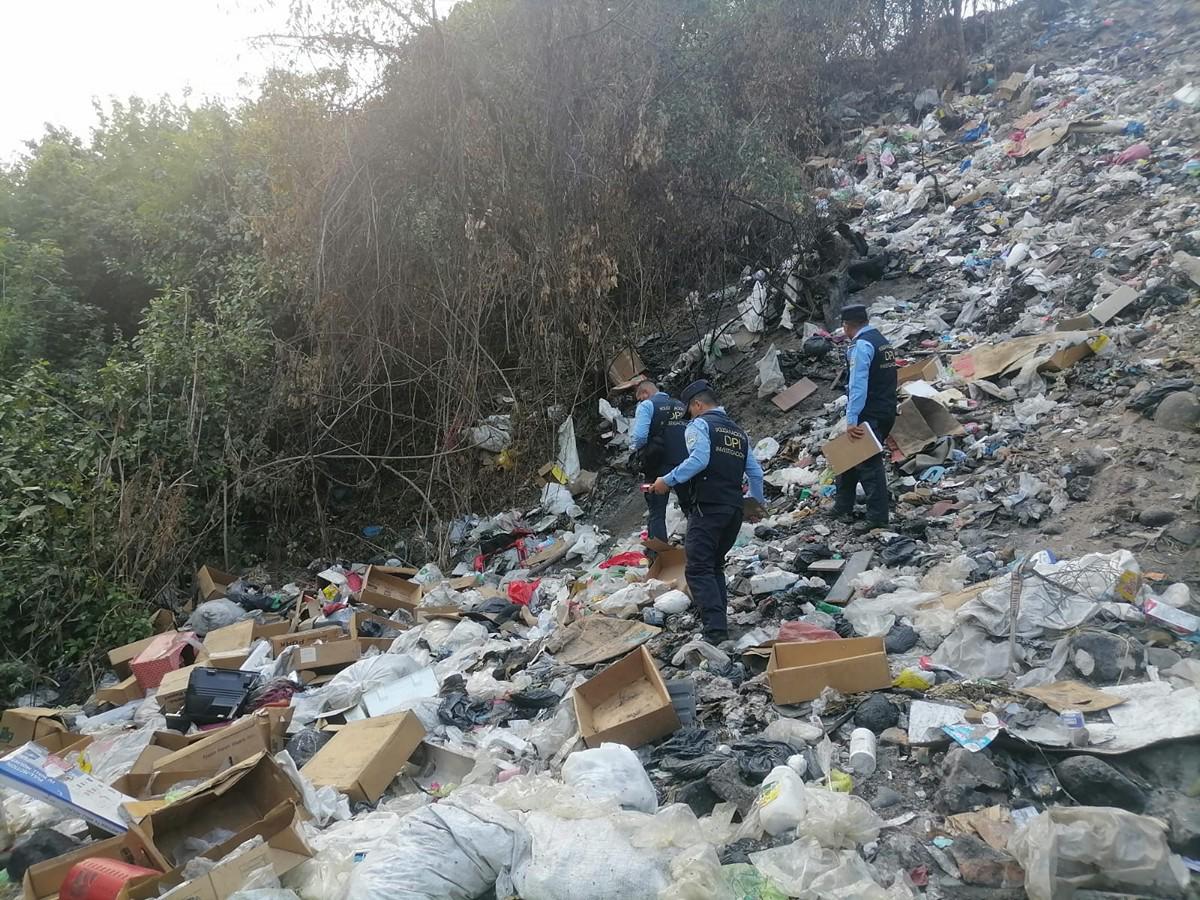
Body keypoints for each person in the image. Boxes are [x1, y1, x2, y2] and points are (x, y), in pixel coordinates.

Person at [651, 380, 765, 644]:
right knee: (714, 565)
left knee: (699, 568)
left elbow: (699, 460)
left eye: (690, 411)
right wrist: (754, 505)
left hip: (708, 507)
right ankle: (719, 623)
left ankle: (715, 631)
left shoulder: (700, 425)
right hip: (734, 508)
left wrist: (667, 480)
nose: (689, 417)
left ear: (697, 405)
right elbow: (756, 473)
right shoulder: (738, 432)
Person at [832, 304, 897, 527]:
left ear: (848, 325)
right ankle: (842, 506)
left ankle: (877, 518)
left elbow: (857, 386)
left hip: (869, 412)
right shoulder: (882, 342)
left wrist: (852, 420)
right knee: (849, 457)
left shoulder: (862, 345)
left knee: (868, 464)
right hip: (887, 408)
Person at [629, 380, 689, 543]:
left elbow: (640, 436)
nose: (639, 402)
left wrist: (635, 450)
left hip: (657, 466)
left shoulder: (647, 406)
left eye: (639, 398)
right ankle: (699, 548)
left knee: (657, 513)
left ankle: (660, 558)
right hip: (685, 465)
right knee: (690, 508)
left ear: (645, 394)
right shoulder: (681, 405)